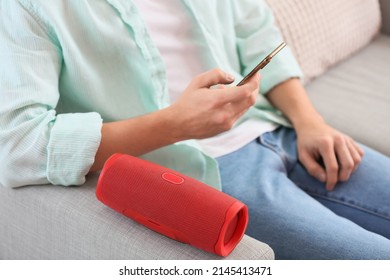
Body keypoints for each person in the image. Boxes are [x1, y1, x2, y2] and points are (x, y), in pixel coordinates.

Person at [1, 0, 390, 259]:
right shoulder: (27, 8)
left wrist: (311, 122)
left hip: (277, 128)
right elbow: (21, 145)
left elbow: (258, 36)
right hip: (202, 175)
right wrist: (176, 124)